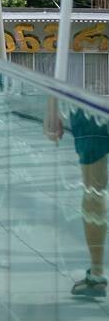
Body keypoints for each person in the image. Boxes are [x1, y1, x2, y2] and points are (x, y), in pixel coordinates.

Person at [45, 97, 108, 298]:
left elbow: (62, 65)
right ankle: (96, 273)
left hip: (89, 97)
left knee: (93, 187)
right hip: (88, 95)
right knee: (94, 188)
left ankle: (97, 274)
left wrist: (53, 107)